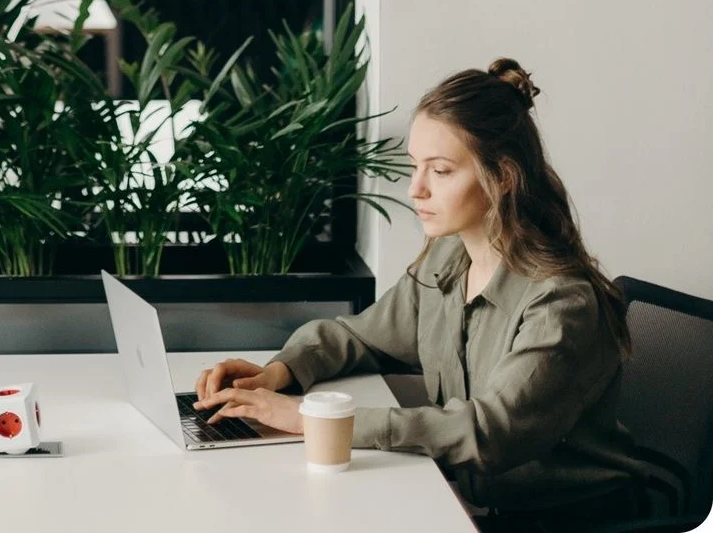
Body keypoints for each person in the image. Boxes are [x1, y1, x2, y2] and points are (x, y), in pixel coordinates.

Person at [192, 58, 652, 532]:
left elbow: (489, 434)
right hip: (471, 504)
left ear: (503, 178)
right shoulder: (446, 259)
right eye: (416, 167)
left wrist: (313, 419)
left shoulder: (561, 302)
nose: (416, 190)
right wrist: (277, 373)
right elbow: (362, 336)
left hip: (567, 520)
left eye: (442, 171)